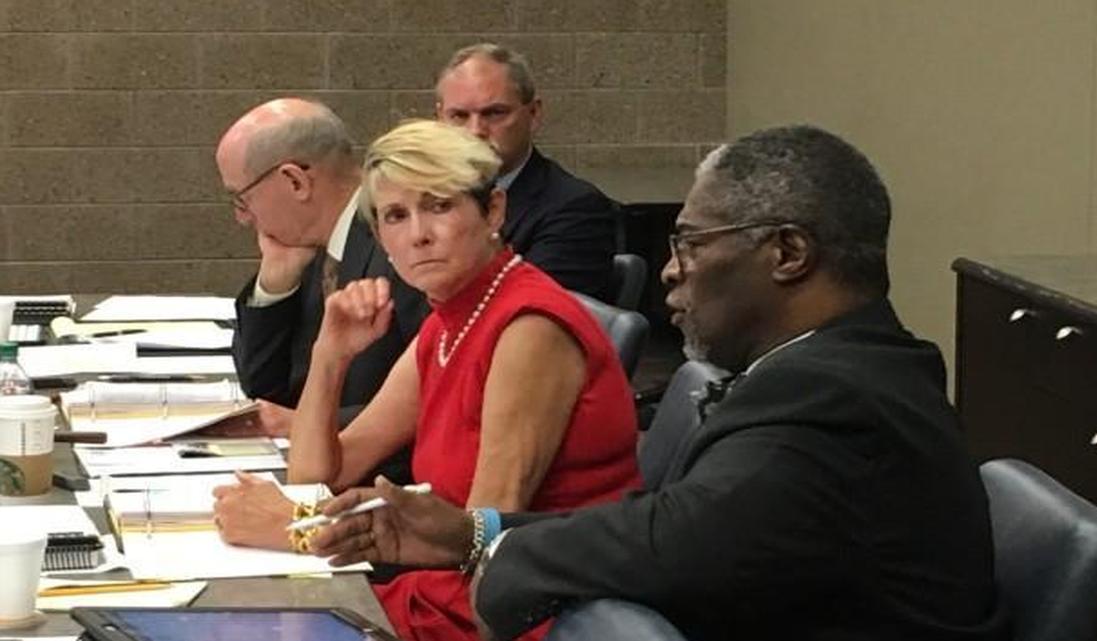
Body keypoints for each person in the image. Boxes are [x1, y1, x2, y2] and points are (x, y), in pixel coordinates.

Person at [307, 125, 1010, 641]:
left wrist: (478, 542)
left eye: (692, 243)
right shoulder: (845, 369)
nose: (673, 270)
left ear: (787, 253)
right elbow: (670, 524)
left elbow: (668, 542)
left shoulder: (830, 401)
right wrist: (472, 530)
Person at [213, 119, 642, 641]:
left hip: (521, 614)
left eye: (440, 206)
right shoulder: (451, 318)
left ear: (493, 212)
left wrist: (301, 531)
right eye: (395, 215)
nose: (418, 234)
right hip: (442, 591)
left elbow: (484, 539)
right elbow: (321, 470)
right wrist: (330, 354)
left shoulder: (528, 327)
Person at [215, 98, 429, 443]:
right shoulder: (316, 247)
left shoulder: (399, 245)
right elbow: (265, 387)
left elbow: (438, 400)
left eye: (242, 198)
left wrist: (306, 423)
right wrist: (274, 286)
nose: (242, 217)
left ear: (296, 181)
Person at [436, 43, 617, 301]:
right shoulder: (420, 202)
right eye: (459, 116)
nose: (475, 130)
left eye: (494, 113)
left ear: (533, 114)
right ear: (439, 118)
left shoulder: (576, 208)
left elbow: (533, 317)